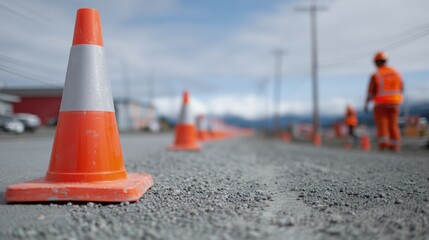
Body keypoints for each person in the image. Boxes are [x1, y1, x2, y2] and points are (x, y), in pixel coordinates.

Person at [364, 51, 403, 152]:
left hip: (381, 104)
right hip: (395, 103)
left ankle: (383, 144)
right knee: (393, 124)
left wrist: (366, 103)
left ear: (376, 62)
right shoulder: (396, 73)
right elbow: (401, 87)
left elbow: (371, 92)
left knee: (382, 124)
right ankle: (395, 146)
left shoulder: (376, 74)